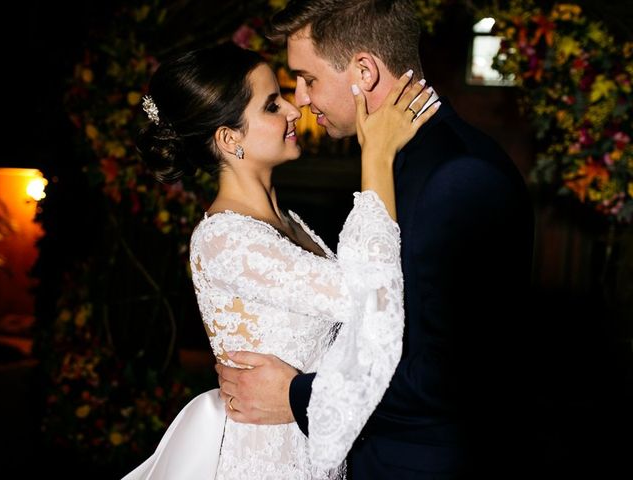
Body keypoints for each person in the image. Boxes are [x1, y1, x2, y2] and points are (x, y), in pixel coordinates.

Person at [215, 1, 537, 479]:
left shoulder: (459, 176)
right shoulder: (401, 160)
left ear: (364, 71)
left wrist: (294, 395)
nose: (300, 99)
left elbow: (444, 377)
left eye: (309, 79)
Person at [122, 41, 439, 479]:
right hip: (266, 461)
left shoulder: (289, 222)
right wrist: (378, 156)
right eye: (272, 105)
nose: (295, 109)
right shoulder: (224, 239)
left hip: (312, 449)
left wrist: (296, 392)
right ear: (230, 138)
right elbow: (367, 298)